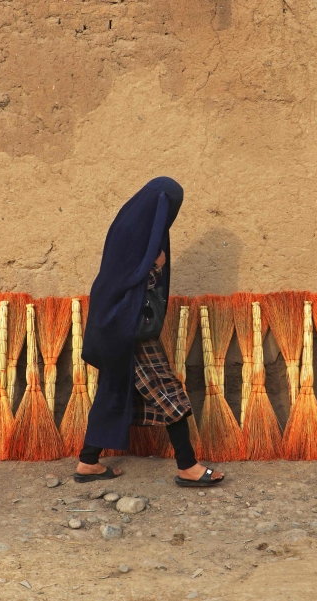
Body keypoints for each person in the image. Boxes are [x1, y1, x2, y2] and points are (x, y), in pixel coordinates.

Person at [74, 177, 224, 487]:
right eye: (171, 208)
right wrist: (155, 267)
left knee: (114, 388)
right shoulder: (138, 235)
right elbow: (131, 281)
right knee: (167, 389)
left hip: (115, 321)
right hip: (129, 326)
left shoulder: (127, 225)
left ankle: (88, 462)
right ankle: (188, 467)